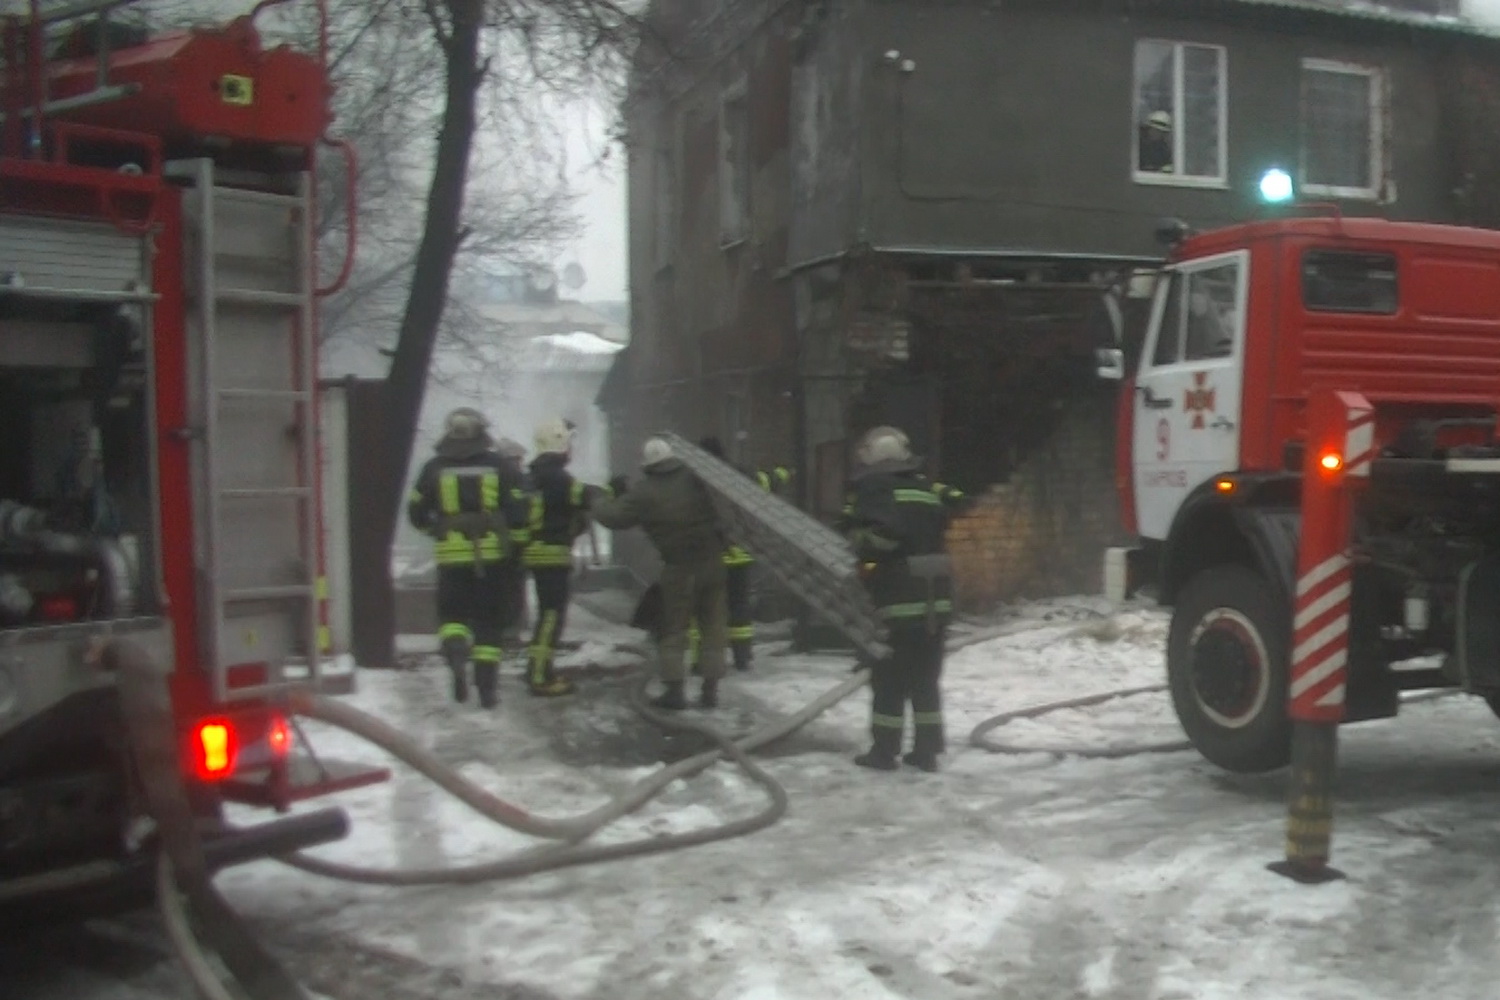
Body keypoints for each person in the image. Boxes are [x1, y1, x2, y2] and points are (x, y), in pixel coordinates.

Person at [838, 425, 971, 772]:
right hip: (937, 600)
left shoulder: (876, 488)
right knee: (925, 679)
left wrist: (858, 544)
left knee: (889, 680)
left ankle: (884, 752)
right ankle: (926, 751)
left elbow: (884, 537)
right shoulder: (925, 490)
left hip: (898, 600)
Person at [591, 438, 728, 710]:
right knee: (712, 627)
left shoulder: (644, 493)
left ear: (648, 465)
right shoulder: (696, 479)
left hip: (680, 569)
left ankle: (675, 692)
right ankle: (710, 690)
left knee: (674, 629)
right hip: (713, 563)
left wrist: (600, 497)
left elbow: (612, 517)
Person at [407, 408, 528, 709]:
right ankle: (486, 689)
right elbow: (517, 508)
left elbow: (416, 511)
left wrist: (436, 529)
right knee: (489, 623)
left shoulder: (434, 467)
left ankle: (457, 655)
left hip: (451, 557)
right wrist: (513, 542)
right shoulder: (499, 465)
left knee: (452, 617)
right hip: (491, 559)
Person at [691, 436, 794, 673]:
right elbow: (766, 482)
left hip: (708, 555)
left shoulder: (693, 480)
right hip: (738, 554)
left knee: (703, 608)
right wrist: (784, 473)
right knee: (738, 605)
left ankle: (700, 660)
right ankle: (742, 656)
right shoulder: (739, 474)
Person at [520, 417, 594, 698]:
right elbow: (586, 499)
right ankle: (540, 675)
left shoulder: (531, 477)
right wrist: (613, 491)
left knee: (545, 615)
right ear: (560, 443)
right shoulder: (562, 479)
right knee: (552, 616)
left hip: (534, 553)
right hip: (553, 555)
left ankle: (536, 667)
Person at [494, 436, 531, 653]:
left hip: (510, 546)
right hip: (509, 545)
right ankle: (509, 629)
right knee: (511, 587)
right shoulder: (520, 481)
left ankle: (510, 629)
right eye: (515, 459)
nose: (517, 464)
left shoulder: (518, 481)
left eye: (518, 460)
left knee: (512, 587)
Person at [1138, 109, 1173, 174]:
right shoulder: (1136, 144)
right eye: (1155, 129)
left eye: (1161, 132)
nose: (1157, 133)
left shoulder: (1163, 150)